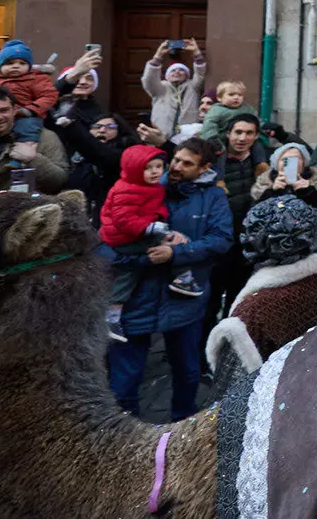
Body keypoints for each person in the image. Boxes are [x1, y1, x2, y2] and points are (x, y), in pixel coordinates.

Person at [106, 137, 232, 420]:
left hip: (183, 300)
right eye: (175, 159)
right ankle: (125, 434)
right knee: (124, 380)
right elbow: (110, 238)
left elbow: (221, 240)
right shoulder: (141, 187)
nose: (175, 167)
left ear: (204, 168)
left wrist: (177, 253)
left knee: (187, 372)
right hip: (137, 297)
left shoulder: (213, 197)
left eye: (187, 163)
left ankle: (181, 429)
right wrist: (143, 257)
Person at [98, 145, 184, 342]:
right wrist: (151, 227)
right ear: (134, 169)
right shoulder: (125, 189)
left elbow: (154, 207)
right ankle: (181, 276)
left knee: (168, 245)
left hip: (139, 232)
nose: (155, 172)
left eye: (158, 166)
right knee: (134, 269)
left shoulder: (151, 187)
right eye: (148, 168)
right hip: (124, 237)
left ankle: (181, 276)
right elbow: (123, 219)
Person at [209, 114, 268, 329]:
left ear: (256, 137)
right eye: (238, 132)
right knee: (211, 300)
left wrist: (279, 132)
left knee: (238, 300)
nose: (242, 138)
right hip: (220, 240)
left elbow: (295, 149)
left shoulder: (261, 160)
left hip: (247, 241)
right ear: (228, 134)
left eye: (249, 133)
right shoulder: (214, 160)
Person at [0, 39, 59, 167]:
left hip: (26, 114)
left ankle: (19, 159)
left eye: (22, 63)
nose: (16, 66)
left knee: (28, 130)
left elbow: (49, 96)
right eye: (9, 63)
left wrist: (30, 109)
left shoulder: (36, 79)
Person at [0, 86, 68, 201]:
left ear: (14, 110)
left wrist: (33, 160)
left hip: (22, 215)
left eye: (4, 110)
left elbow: (59, 183)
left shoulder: (43, 138)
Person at [142, 39, 206, 139]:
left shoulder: (193, 86)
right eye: (173, 71)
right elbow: (149, 79)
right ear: (167, 75)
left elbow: (201, 74)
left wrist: (196, 53)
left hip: (188, 137)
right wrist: (158, 55)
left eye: (181, 70)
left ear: (187, 75)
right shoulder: (161, 88)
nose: (177, 72)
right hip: (162, 136)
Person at [250, 142, 317, 216]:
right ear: (276, 163)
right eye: (284, 160)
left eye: (295, 159)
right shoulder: (265, 181)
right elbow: (256, 212)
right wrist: (273, 192)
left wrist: (308, 191)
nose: (290, 164)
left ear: (304, 162)